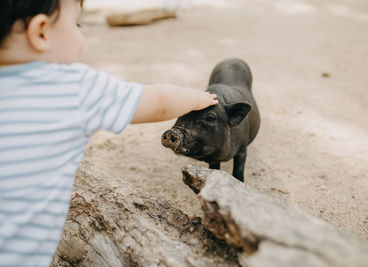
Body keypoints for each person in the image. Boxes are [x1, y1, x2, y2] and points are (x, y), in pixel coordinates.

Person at [0, 0, 218, 266]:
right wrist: (198, 99)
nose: (81, 33)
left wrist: (48, 185)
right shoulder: (74, 88)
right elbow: (158, 101)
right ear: (41, 32)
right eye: (77, 24)